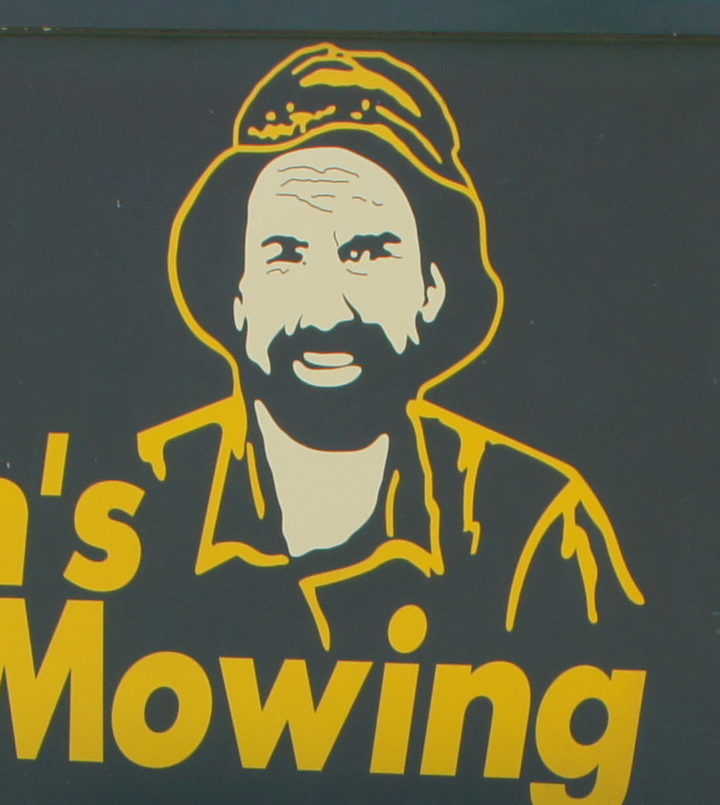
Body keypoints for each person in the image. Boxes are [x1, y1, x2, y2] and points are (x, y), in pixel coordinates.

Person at [128, 43, 640, 657]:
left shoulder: (533, 524)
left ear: (432, 290)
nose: (325, 312)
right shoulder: (142, 494)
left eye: (366, 254)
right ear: (237, 293)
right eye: (285, 255)